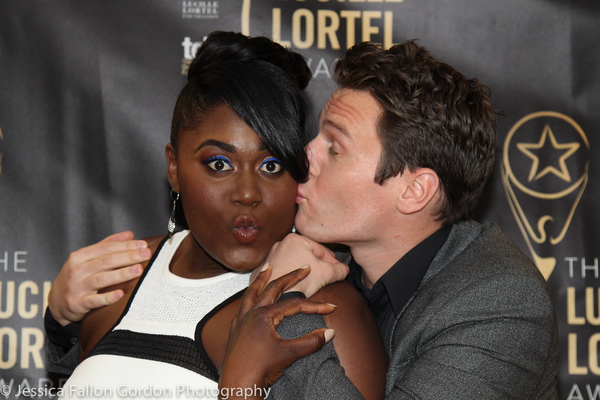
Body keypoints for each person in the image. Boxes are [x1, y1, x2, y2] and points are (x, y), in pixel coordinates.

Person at [46, 31, 387, 400]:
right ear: (174, 167)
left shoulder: (324, 309)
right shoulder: (117, 278)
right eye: (219, 163)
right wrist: (58, 322)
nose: (246, 193)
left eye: (271, 165)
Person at [218, 40, 560, 399]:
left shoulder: (500, 303)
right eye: (316, 136)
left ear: (414, 191)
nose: (304, 157)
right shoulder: (328, 260)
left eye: (335, 148)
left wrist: (288, 298)